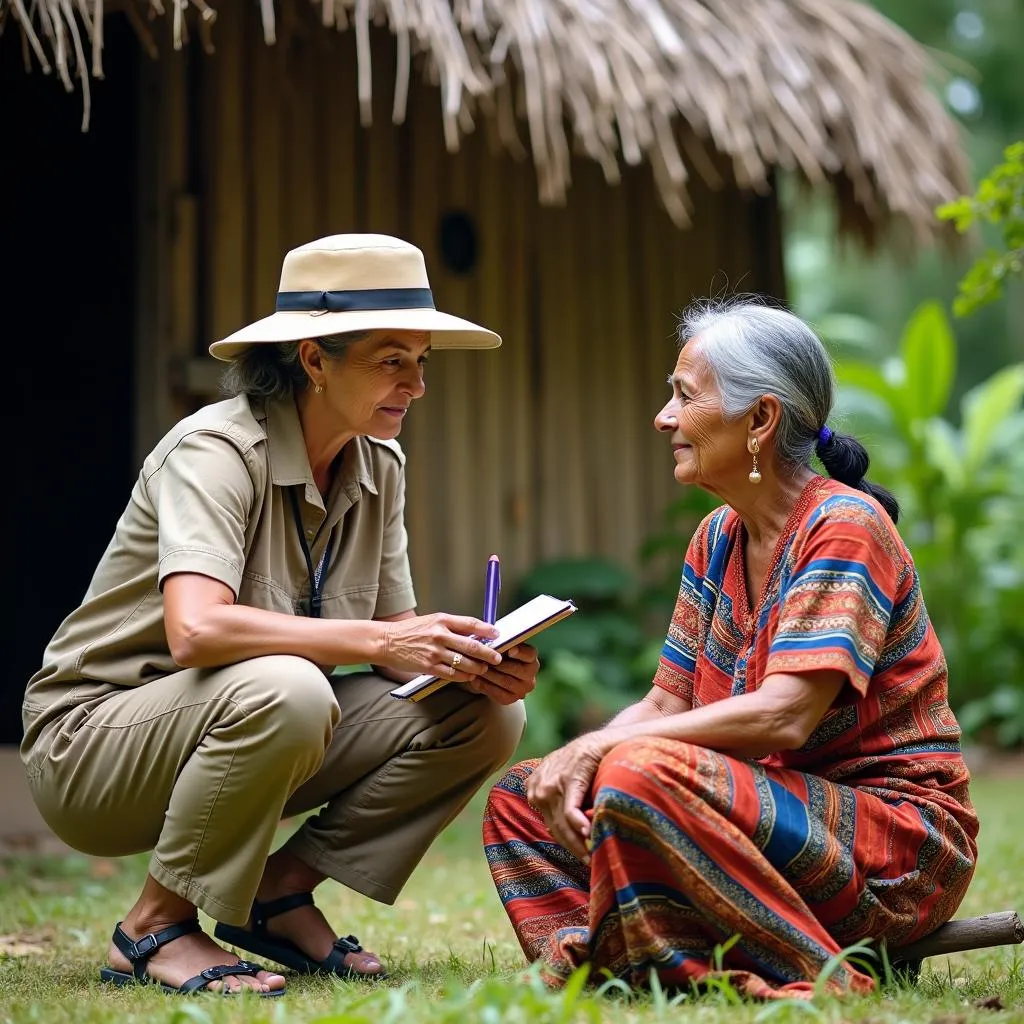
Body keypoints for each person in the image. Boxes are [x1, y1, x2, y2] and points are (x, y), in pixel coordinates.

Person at [21, 234, 535, 997]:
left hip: (263, 724)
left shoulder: (377, 464)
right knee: (291, 686)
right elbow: (195, 631)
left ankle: (278, 895)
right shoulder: (216, 451)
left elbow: (396, 649)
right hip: (94, 748)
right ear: (314, 358)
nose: (417, 385)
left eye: (423, 361)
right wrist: (384, 638)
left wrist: (472, 657)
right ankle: (153, 930)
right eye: (392, 359)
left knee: (488, 715)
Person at [482, 299, 978, 1000]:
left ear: (760, 420)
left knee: (634, 774)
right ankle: (622, 960)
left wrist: (602, 753)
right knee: (521, 799)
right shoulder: (718, 536)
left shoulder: (844, 526)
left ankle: (802, 973)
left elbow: (783, 718)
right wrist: (576, 759)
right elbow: (664, 700)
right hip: (752, 815)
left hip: (889, 849)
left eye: (683, 396)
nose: (663, 417)